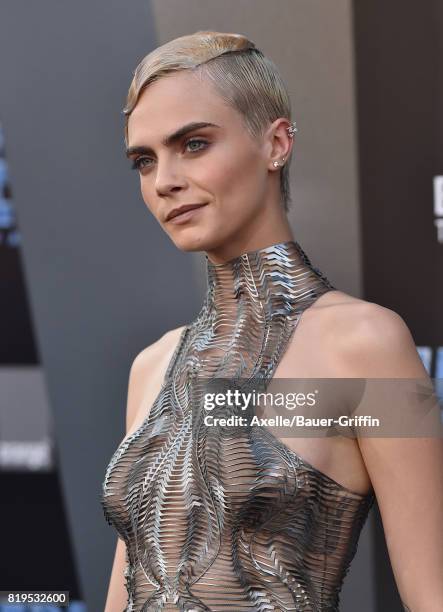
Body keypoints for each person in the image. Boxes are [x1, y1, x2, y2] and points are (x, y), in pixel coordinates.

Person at [100, 31, 443, 611]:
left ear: (276, 144)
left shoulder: (365, 346)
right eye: (144, 160)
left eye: (195, 143)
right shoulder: (152, 366)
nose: (164, 182)